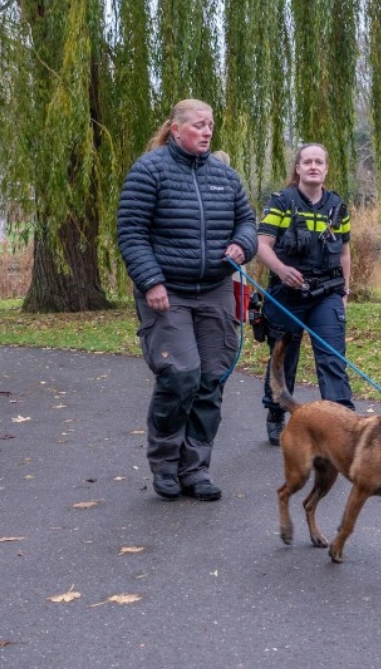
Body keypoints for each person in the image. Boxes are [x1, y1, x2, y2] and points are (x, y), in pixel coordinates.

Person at [116, 99, 257, 501]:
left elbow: (247, 221)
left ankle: (195, 469)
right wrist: (151, 282)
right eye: (199, 125)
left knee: (211, 380)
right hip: (167, 292)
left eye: (211, 125)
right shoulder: (149, 170)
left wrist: (241, 245)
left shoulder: (224, 176)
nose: (207, 132)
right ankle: (165, 464)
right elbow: (131, 232)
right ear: (176, 130)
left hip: (214, 290)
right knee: (181, 376)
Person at [255, 143, 353, 445]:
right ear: (297, 168)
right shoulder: (281, 203)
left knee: (332, 357)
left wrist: (345, 292)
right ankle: (276, 411)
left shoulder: (338, 207)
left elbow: (345, 252)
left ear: (326, 169)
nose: (313, 166)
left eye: (319, 162)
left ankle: (342, 422)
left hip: (327, 294)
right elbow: (261, 246)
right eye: (307, 162)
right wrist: (282, 270)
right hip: (287, 294)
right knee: (285, 356)